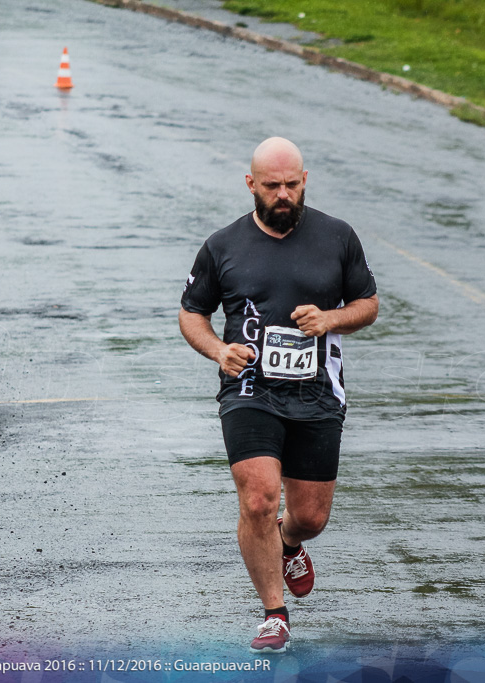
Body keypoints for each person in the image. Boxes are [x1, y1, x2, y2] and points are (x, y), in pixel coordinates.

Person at [179, 137, 378, 653]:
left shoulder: (338, 237)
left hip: (316, 391)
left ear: (305, 179)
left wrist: (331, 317)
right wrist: (219, 351)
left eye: (292, 183)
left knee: (309, 516)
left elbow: (368, 304)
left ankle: (289, 544)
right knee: (260, 497)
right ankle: (274, 613)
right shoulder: (223, 245)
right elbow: (190, 313)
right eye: (272, 186)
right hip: (249, 388)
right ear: (252, 185)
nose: (283, 194)